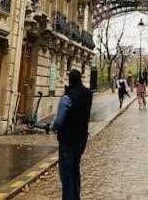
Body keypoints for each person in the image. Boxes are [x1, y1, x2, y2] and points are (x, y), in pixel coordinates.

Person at [52, 69, 92, 200]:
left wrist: (53, 127)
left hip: (67, 139)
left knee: (66, 173)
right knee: (75, 170)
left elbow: (58, 121)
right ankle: (76, 196)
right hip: (81, 138)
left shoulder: (67, 97)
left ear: (70, 80)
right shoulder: (88, 94)